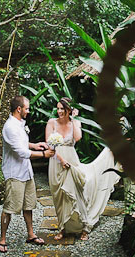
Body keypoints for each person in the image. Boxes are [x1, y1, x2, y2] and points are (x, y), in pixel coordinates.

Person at [46, 97, 120, 241]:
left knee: (76, 193)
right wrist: (61, 159)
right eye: (58, 108)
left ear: (69, 110)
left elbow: (77, 138)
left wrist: (74, 119)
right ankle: (62, 228)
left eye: (63, 109)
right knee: (59, 196)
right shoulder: (51, 122)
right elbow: (49, 145)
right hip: (56, 161)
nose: (59, 111)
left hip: (71, 160)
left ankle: (84, 227)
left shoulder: (75, 122)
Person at [0, 96, 54, 253]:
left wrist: (35, 145)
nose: (28, 111)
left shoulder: (20, 125)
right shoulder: (10, 127)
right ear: (19, 109)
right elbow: (21, 152)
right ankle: (2, 239)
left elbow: (22, 144)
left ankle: (31, 234)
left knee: (28, 205)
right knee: (10, 207)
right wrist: (43, 155)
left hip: (26, 171)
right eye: (27, 108)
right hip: (14, 173)